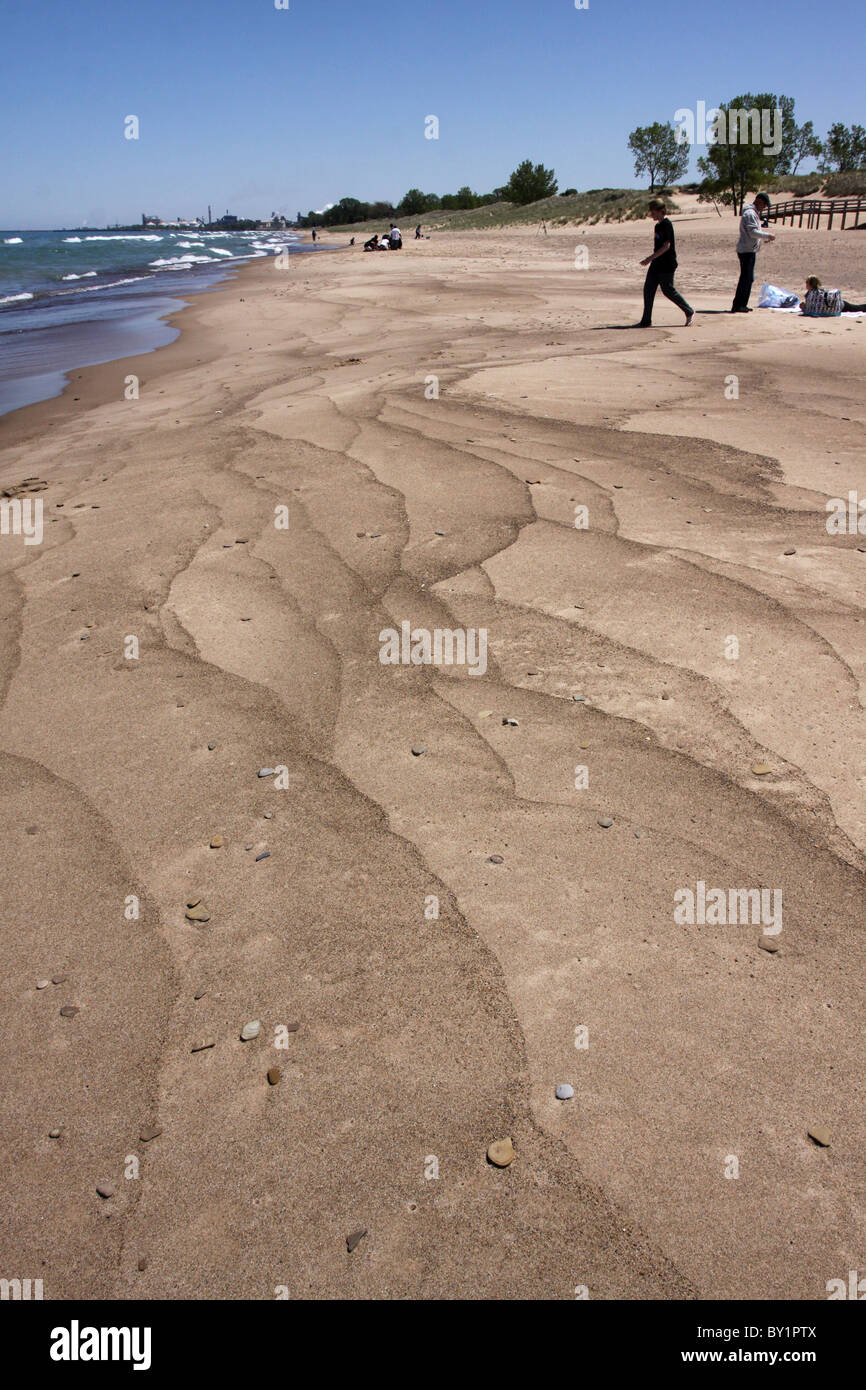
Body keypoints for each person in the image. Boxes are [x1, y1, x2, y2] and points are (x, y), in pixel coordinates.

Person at [636, 198, 693, 327]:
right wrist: (652, 260)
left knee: (668, 290)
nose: (651, 214)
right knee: (648, 289)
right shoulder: (657, 226)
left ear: (661, 211)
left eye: (653, 211)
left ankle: (689, 311)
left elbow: (666, 246)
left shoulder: (667, 224)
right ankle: (646, 320)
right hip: (656, 264)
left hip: (667, 263)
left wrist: (649, 258)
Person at [731, 193, 775, 312]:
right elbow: (753, 232)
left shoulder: (752, 213)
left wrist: (762, 239)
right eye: (764, 204)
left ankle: (741, 304)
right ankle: (738, 304)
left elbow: (754, 232)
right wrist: (767, 236)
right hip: (746, 250)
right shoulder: (750, 213)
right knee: (746, 278)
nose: (764, 207)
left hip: (749, 249)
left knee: (747, 278)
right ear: (759, 201)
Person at [800, 275, 866, 314]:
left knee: (858, 308)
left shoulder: (811, 294)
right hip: (837, 306)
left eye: (807, 283)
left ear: (809, 284)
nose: (806, 285)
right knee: (857, 308)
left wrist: (804, 307)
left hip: (839, 306)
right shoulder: (819, 291)